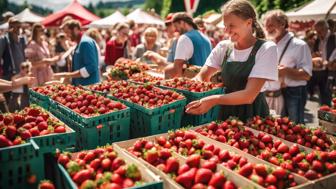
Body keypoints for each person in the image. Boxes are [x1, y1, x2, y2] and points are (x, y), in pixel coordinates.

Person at [185, 0, 278, 122]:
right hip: (224, 111)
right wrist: (184, 87)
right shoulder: (224, 47)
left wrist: (214, 100)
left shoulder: (266, 48)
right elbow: (202, 76)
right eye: (225, 26)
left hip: (252, 115)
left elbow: (249, 95)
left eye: (232, 26)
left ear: (248, 23)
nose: (227, 31)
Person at [263, 10, 312, 123]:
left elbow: (307, 75)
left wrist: (285, 71)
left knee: (296, 127)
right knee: (277, 129)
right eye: (266, 26)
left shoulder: (300, 45)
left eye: (271, 25)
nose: (268, 29)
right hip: (275, 93)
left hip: (293, 92)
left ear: (283, 24)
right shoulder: (269, 44)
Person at [165, 12, 212, 78]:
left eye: (176, 26)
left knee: (167, 70)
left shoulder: (184, 37)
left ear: (182, 22)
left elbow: (177, 67)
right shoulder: (206, 38)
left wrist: (166, 70)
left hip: (193, 82)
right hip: (207, 82)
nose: (176, 30)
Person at [60, 20, 100, 86]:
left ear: (75, 29)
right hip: (82, 86)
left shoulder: (85, 42)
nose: (66, 36)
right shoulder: (80, 42)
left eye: (67, 32)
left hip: (88, 87)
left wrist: (67, 75)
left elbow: (91, 67)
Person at [0, 18, 27, 112]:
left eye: (20, 26)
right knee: (9, 97)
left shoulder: (21, 39)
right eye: (17, 26)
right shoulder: (4, 39)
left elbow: (24, 55)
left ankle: (16, 114)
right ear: (11, 26)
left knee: (19, 96)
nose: (19, 29)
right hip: (9, 73)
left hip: (21, 73)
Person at [311, 20, 336, 106]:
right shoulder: (318, 39)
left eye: (319, 31)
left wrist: (331, 62)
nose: (317, 33)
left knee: (328, 95)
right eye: (316, 31)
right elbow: (315, 52)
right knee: (323, 96)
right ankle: (325, 114)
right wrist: (315, 55)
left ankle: (328, 114)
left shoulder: (334, 37)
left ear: (325, 29)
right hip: (320, 71)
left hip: (331, 71)